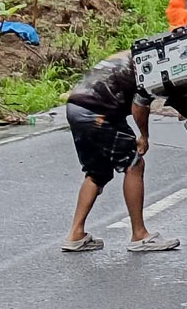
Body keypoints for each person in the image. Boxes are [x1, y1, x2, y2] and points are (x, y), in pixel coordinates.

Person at [61, 52, 180, 252]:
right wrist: (144, 136)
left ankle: (75, 235)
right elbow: (139, 106)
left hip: (76, 108)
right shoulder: (149, 66)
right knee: (134, 164)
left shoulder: (129, 55)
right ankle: (140, 235)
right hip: (98, 113)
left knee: (96, 172)